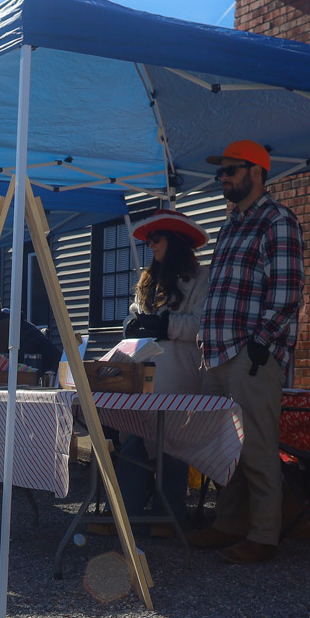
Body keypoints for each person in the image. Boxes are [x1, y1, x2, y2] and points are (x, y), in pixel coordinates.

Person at [187, 139, 303, 565]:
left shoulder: (278, 221)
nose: (223, 178)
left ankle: (264, 535)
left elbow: (288, 293)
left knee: (255, 447)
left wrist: (260, 345)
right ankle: (229, 525)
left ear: (257, 172)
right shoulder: (232, 224)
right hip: (216, 353)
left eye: (231, 170)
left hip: (248, 356)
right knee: (222, 448)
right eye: (222, 172)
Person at [117, 209, 210, 524]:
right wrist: (133, 325)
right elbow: (132, 314)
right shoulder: (147, 279)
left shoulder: (201, 278)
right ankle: (127, 517)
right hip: (140, 373)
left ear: (176, 240)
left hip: (178, 375)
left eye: (157, 238)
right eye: (149, 240)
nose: (152, 245)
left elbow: (202, 325)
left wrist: (165, 324)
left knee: (171, 446)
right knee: (129, 440)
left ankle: (167, 519)